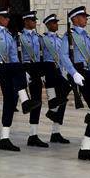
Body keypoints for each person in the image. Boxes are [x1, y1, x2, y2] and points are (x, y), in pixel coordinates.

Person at [0, 8, 40, 152]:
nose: (8, 19)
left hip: (9, 69)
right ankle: (25, 100)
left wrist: (21, 71)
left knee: (10, 99)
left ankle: (4, 139)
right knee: (15, 77)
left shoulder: (9, 35)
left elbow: (14, 56)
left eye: (8, 17)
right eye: (5, 17)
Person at [58, 6, 90, 161]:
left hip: (88, 71)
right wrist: (73, 74)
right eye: (83, 16)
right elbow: (63, 56)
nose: (86, 19)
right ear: (74, 19)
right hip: (79, 72)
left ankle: (85, 149)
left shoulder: (86, 36)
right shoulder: (70, 36)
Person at [39, 14, 70, 144]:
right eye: (53, 23)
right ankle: (52, 110)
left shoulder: (60, 39)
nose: (56, 25)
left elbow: (63, 56)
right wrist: (41, 74)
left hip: (58, 70)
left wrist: (65, 71)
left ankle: (55, 132)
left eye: (57, 22)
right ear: (48, 25)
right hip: (48, 68)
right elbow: (39, 55)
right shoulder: (43, 39)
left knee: (62, 101)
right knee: (59, 98)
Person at [18, 11, 47, 148]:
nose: (35, 22)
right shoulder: (19, 37)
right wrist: (22, 71)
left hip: (36, 68)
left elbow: (41, 55)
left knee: (37, 101)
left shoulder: (38, 37)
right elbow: (15, 55)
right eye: (32, 20)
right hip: (25, 67)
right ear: (25, 21)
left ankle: (33, 135)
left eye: (35, 20)